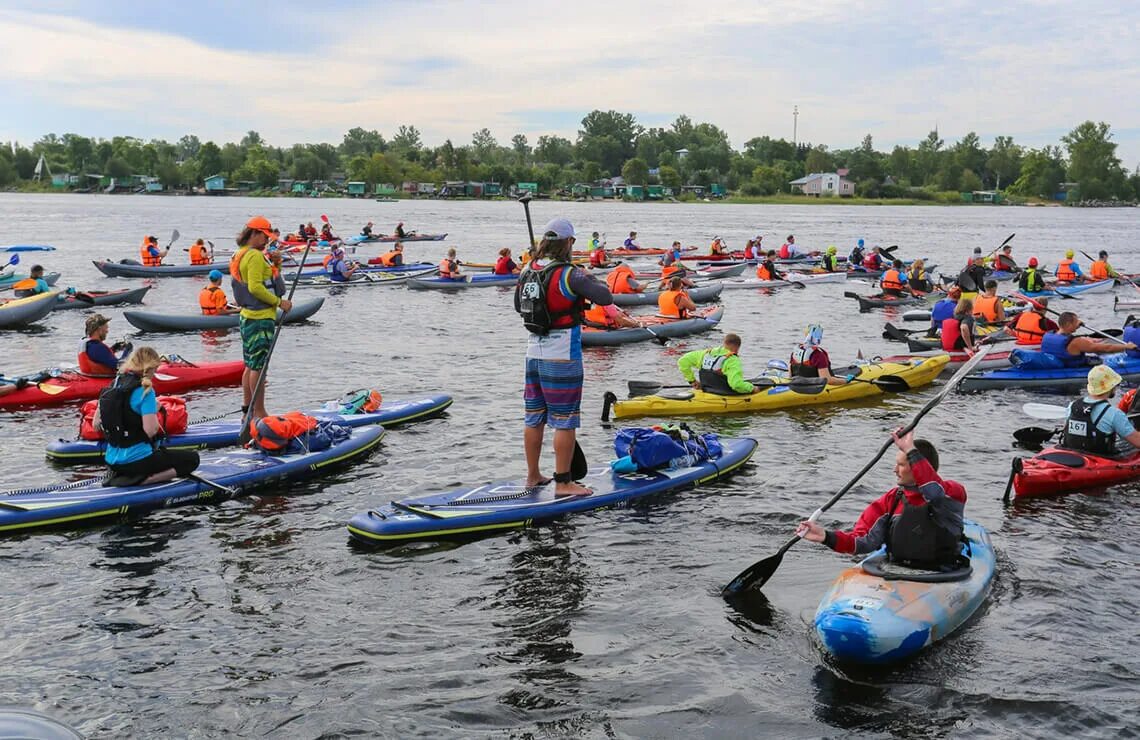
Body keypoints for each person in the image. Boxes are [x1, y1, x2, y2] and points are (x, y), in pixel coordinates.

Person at [514, 216, 614, 497]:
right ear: (568, 242)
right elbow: (605, 297)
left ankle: (533, 475)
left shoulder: (527, 270)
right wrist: (588, 277)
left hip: (533, 352)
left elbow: (517, 306)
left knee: (534, 417)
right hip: (563, 356)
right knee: (565, 419)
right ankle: (563, 482)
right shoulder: (571, 274)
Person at [796, 430, 966, 571]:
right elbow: (862, 542)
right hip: (898, 570)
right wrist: (825, 536)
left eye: (901, 465)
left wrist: (911, 450)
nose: (894, 469)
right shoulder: (890, 500)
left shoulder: (952, 493)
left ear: (917, 465)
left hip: (943, 571)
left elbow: (934, 493)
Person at [93, 346, 200, 485]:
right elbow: (151, 430)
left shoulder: (114, 385)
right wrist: (153, 410)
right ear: (150, 368)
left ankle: (128, 475)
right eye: (155, 370)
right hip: (137, 462)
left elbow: (96, 424)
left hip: (111, 461)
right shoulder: (146, 390)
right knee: (192, 459)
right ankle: (146, 479)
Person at [231, 215, 292, 420]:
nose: (267, 240)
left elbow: (265, 279)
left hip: (246, 316)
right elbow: (255, 287)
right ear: (254, 233)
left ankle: (247, 410)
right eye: (264, 236)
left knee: (250, 365)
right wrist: (279, 302)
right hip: (259, 318)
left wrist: (276, 265)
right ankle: (259, 412)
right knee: (259, 366)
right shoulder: (255, 256)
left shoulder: (240, 254)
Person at [1061, 365, 1140, 455]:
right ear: (1111, 387)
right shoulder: (1114, 414)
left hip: (1073, 456)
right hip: (1100, 460)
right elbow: (1138, 442)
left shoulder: (1072, 406)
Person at [1040, 311, 1135, 366]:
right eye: (1076, 321)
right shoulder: (1076, 342)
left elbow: (1068, 338)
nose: (1078, 323)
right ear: (1069, 324)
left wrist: (1085, 337)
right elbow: (1106, 348)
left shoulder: (1049, 335)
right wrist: (1127, 346)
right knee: (1102, 355)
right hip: (1074, 367)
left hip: (1059, 363)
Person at [677, 333, 756, 395]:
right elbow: (736, 385)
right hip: (723, 393)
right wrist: (752, 388)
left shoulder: (707, 353)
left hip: (707, 390)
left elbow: (682, 361)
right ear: (737, 348)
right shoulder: (732, 360)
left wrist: (692, 381)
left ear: (724, 343)